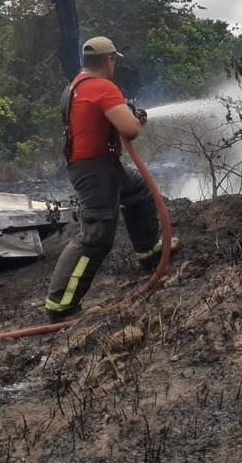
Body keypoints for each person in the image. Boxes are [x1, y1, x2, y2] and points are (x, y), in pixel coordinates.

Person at [45, 36, 162, 323]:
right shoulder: (103, 87)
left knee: (137, 191)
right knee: (96, 233)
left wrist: (128, 116)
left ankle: (150, 254)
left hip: (94, 165)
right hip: (96, 170)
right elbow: (129, 130)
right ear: (110, 60)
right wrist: (133, 119)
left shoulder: (74, 87)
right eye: (114, 61)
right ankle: (61, 304)